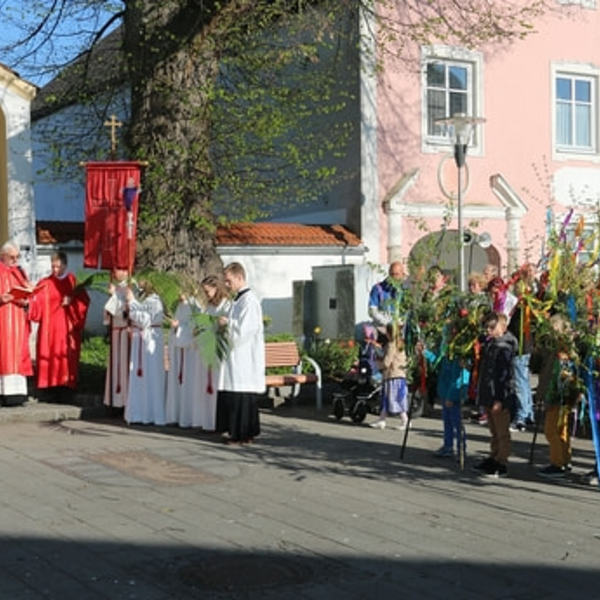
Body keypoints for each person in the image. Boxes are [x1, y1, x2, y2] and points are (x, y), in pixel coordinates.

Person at [28, 252, 90, 402]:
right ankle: (49, 390)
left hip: (67, 329)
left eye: (58, 266)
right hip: (49, 330)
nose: (55, 270)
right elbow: (36, 305)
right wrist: (31, 296)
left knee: (65, 358)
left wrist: (72, 301)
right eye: (53, 266)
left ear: (65, 265)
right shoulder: (45, 283)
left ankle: (66, 389)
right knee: (49, 357)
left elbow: (84, 302)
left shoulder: (73, 282)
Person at [217, 262, 265, 445]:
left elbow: (245, 330)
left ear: (239, 277)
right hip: (235, 356)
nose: (226, 284)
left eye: (229, 281)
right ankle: (239, 432)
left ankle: (242, 433)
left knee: (242, 396)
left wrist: (227, 323)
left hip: (244, 357)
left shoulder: (249, 301)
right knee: (236, 395)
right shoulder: (237, 300)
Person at [473, 311, 518, 478]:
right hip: (488, 393)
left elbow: (504, 377)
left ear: (503, 327)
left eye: (492, 328)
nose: (489, 331)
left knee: (501, 431)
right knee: (493, 430)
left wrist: (500, 399)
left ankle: (502, 461)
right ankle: (494, 456)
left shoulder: (505, 347)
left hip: (499, 395)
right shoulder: (491, 344)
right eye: (487, 328)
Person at [536, 314, 581, 479]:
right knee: (561, 430)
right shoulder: (557, 349)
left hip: (557, 397)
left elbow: (557, 377)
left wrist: (549, 396)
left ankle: (557, 463)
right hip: (561, 396)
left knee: (551, 431)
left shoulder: (562, 353)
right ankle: (564, 459)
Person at [124, 279, 166, 425]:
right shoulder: (145, 299)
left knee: (151, 377)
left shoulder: (154, 301)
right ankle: (138, 412)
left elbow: (145, 319)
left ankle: (151, 413)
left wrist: (132, 302)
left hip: (150, 341)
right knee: (140, 378)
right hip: (140, 339)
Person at [0, 241, 34, 406]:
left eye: (17, 257)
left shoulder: (20, 272)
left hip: (19, 320)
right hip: (3, 319)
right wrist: (1, 298)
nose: (15, 260)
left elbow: (28, 292)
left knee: (19, 355)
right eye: (12, 257)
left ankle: (17, 395)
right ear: (3, 256)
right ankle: (3, 394)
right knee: (4, 355)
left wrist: (28, 299)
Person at [369, 321, 409, 430]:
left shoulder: (392, 344)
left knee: (394, 399)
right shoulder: (400, 343)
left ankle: (405, 420)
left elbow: (387, 362)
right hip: (399, 375)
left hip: (392, 375)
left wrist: (378, 363)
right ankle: (382, 420)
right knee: (388, 398)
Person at [103, 268, 131, 411]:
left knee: (124, 367)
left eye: (120, 269)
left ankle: (125, 403)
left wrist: (114, 295)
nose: (116, 273)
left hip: (125, 333)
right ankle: (114, 402)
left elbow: (125, 312)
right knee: (115, 366)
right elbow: (109, 312)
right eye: (115, 270)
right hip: (115, 332)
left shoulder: (130, 288)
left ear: (126, 271)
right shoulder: (116, 287)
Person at [368, 261, 406, 339]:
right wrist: (388, 323)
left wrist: (400, 322)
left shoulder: (404, 291)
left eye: (397, 274)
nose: (394, 277)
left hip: (400, 330)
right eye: (392, 274)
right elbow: (372, 311)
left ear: (402, 275)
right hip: (382, 330)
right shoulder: (378, 288)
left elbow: (406, 311)